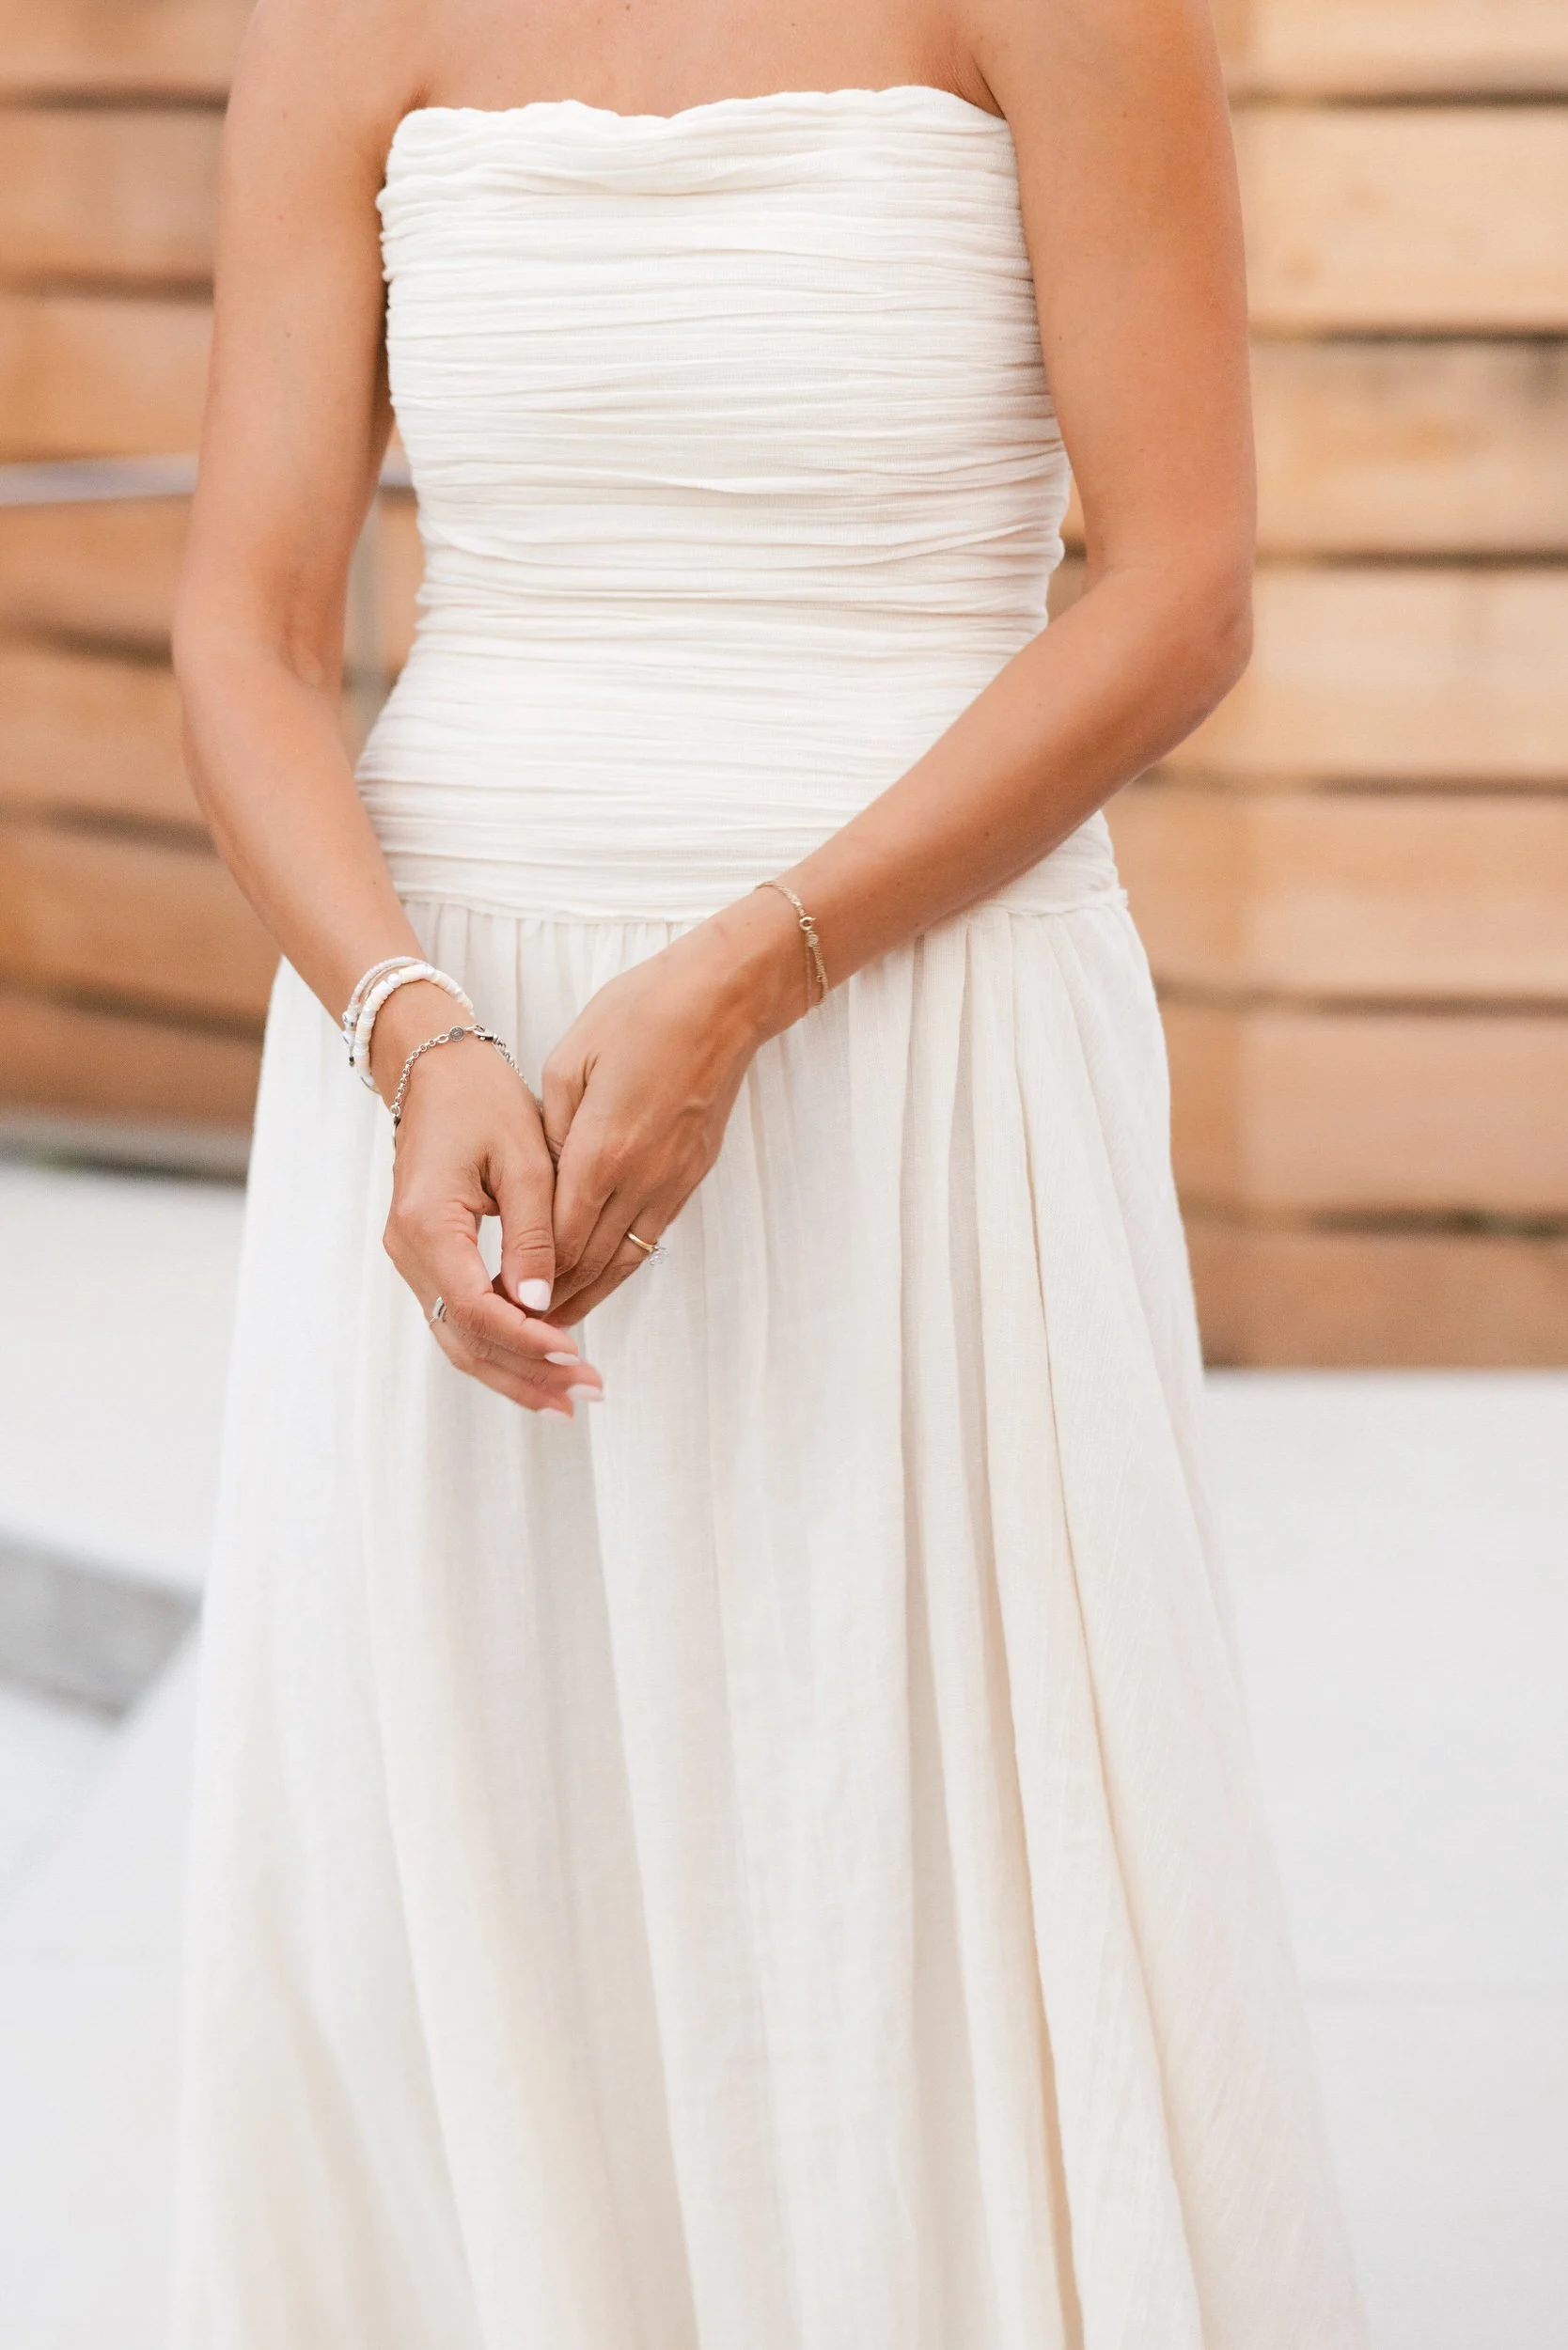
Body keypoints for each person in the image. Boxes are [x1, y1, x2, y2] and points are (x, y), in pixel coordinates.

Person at [169, 0, 1368, 2340]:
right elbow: (246, 622)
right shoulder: (335, 24)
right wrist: (408, 1028)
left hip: (918, 1018)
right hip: (454, 1057)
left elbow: (1181, 585)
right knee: (487, 1834)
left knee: (902, 1820)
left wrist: (752, 973)